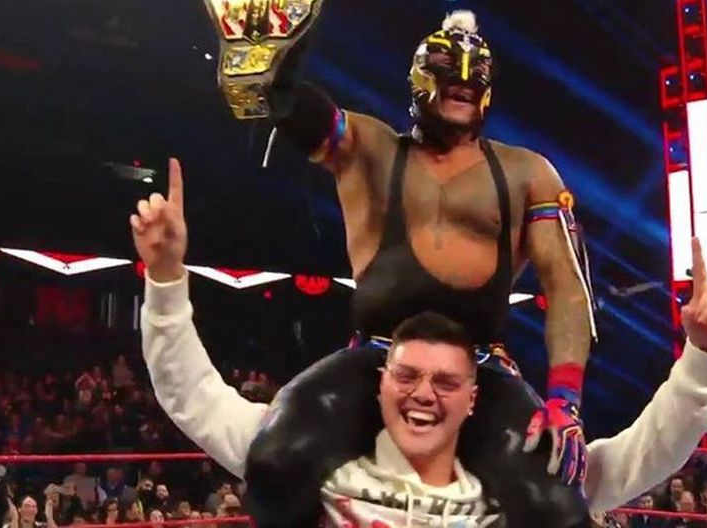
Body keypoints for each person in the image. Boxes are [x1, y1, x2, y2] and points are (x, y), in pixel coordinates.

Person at [132, 158, 707, 526]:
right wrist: (164, 276)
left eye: (445, 382)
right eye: (408, 375)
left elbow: (651, 452)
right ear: (379, 382)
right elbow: (191, 394)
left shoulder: (524, 472)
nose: (423, 394)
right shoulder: (313, 451)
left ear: (474, 397)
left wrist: (703, 357)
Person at [197, 6, 596, 525]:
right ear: (419, 79)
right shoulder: (373, 149)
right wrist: (281, 50)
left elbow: (567, 285)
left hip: (480, 367)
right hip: (380, 358)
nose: (463, 84)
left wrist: (565, 400)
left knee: (556, 506)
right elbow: (292, 105)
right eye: (448, 74)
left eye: (474, 78)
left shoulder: (528, 173)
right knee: (276, 461)